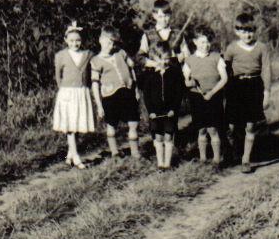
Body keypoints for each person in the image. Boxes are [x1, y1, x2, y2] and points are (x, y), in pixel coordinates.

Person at [224, 13, 272, 174]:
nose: (247, 34)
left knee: (251, 124)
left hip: (254, 86)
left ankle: (246, 159)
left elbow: (266, 69)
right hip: (236, 87)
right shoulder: (231, 48)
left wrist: (267, 92)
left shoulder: (261, 48)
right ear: (237, 31)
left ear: (255, 30)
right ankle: (234, 151)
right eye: (243, 31)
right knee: (233, 123)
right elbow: (225, 67)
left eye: (250, 30)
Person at [91, 26, 142, 160]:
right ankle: (114, 152)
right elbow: (95, 85)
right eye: (108, 42)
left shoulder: (121, 53)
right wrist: (99, 105)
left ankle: (135, 153)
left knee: (133, 122)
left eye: (113, 42)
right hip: (110, 97)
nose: (110, 45)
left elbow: (132, 70)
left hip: (127, 93)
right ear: (100, 40)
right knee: (112, 124)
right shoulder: (95, 61)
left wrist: (135, 89)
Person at [182, 25, 227, 171]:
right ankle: (202, 158)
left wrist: (212, 93)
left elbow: (224, 78)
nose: (205, 45)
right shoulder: (189, 60)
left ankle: (216, 160)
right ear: (195, 42)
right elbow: (185, 81)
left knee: (213, 129)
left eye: (208, 42)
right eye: (202, 42)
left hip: (213, 97)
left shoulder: (216, 57)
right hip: (197, 98)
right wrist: (190, 83)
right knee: (201, 129)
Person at [52, 21, 95, 169]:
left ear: (81, 41)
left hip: (81, 92)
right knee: (70, 125)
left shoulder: (88, 55)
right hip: (67, 93)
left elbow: (93, 72)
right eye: (71, 40)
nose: (75, 43)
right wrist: (63, 90)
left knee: (77, 124)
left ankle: (70, 154)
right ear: (66, 40)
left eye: (77, 40)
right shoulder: (61, 55)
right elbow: (58, 76)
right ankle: (76, 156)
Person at [139, 41, 184, 170]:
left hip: (170, 111)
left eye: (166, 58)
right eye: (160, 58)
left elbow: (178, 93)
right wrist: (151, 111)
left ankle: (167, 164)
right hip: (155, 112)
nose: (164, 62)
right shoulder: (150, 74)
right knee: (158, 137)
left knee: (169, 136)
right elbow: (146, 96)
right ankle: (160, 164)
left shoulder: (174, 73)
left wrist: (173, 109)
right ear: (153, 58)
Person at [137, 0, 190, 70]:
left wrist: (182, 56)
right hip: (155, 75)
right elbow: (140, 57)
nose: (163, 20)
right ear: (154, 16)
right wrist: (155, 64)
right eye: (160, 16)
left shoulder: (178, 34)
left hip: (175, 74)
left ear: (170, 14)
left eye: (166, 16)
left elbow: (186, 54)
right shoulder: (148, 35)